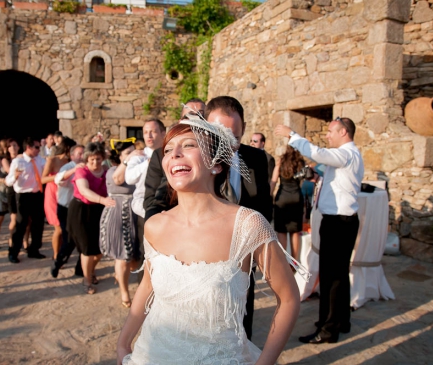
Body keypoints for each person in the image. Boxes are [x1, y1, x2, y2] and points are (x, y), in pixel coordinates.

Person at [117, 116, 308, 364]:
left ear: (216, 164)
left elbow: (289, 298)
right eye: (167, 150)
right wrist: (123, 343)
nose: (174, 154)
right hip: (151, 355)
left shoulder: (248, 225)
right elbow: (147, 286)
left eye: (188, 145)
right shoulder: (155, 225)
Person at [275, 116, 364, 344]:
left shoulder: (345, 154)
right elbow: (337, 180)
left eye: (331, 131)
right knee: (339, 275)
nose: (327, 135)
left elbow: (318, 154)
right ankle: (340, 320)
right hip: (342, 222)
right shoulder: (349, 156)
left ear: (344, 132)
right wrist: (318, 178)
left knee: (331, 277)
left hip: (337, 223)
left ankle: (327, 329)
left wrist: (291, 135)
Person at [205, 96, 272, 341]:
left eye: (234, 136)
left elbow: (264, 205)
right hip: (202, 257)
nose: (227, 143)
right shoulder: (193, 156)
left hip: (243, 256)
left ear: (243, 129)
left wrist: (260, 248)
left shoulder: (256, 159)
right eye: (219, 135)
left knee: (242, 321)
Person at [143, 100, 205, 221]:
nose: (192, 121)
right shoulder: (163, 156)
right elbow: (153, 199)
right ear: (180, 121)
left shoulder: (212, 156)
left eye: (199, 116)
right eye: (188, 117)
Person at [67, 143, 115, 294]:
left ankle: (91, 271)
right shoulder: (82, 170)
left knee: (101, 247)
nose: (95, 163)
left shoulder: (106, 171)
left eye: (98, 159)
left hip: (99, 210)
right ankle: (86, 280)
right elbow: (84, 190)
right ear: (87, 158)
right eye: (92, 159)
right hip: (82, 211)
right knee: (87, 249)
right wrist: (103, 200)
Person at [99, 140, 138, 308]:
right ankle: (124, 291)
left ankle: (122, 278)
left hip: (136, 214)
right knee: (123, 256)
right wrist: (128, 159)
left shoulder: (140, 169)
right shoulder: (112, 171)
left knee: (135, 258)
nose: (133, 155)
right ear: (120, 156)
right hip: (119, 215)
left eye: (133, 151)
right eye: (127, 152)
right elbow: (119, 179)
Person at [124, 119, 166, 259]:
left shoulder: (169, 154)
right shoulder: (139, 156)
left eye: (153, 132)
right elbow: (129, 178)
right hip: (144, 208)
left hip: (167, 209)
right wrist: (149, 163)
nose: (148, 136)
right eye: (145, 132)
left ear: (163, 133)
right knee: (146, 252)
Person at [5, 137, 46, 263]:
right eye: (37, 147)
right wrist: (15, 177)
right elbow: (8, 181)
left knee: (38, 224)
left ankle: (34, 250)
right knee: (21, 224)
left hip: (37, 194)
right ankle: (13, 252)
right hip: (23, 195)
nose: (39, 150)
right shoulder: (18, 161)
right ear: (28, 147)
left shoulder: (39, 159)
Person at [50, 144, 85, 278]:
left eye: (83, 153)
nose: (82, 156)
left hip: (81, 209)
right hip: (66, 209)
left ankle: (80, 269)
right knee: (69, 240)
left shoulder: (88, 167)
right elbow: (59, 179)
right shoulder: (67, 167)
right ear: (72, 156)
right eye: (79, 154)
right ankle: (58, 262)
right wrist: (74, 170)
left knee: (82, 240)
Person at [41, 137, 74, 259]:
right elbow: (43, 179)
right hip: (53, 195)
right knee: (58, 228)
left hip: (66, 195)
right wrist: (60, 176)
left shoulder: (71, 162)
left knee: (66, 228)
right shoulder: (52, 160)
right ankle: (56, 255)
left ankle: (62, 251)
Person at [271, 145, 305, 261]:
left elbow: (274, 181)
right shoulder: (300, 163)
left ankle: (283, 260)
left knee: (282, 230)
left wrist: (270, 195)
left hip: (282, 198)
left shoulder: (282, 161)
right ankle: (295, 261)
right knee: (295, 231)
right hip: (296, 197)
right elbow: (302, 182)